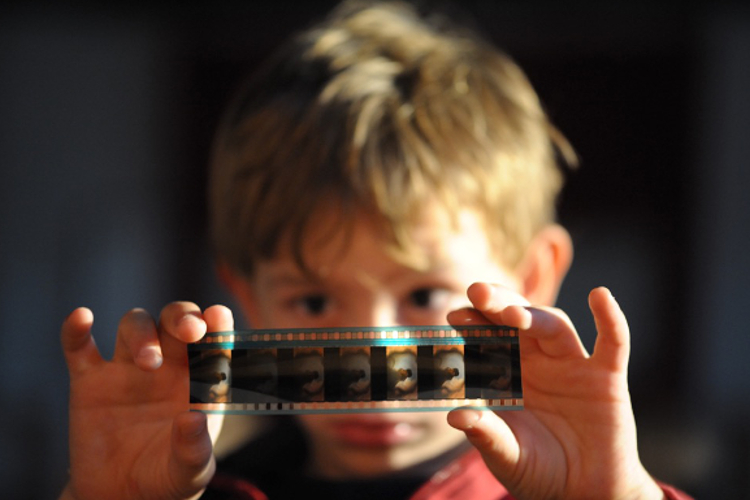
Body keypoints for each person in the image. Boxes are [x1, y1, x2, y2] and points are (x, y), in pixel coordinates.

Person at [59, 1, 692, 499]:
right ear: (248, 296)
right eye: (312, 299)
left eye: (424, 295)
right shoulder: (191, 490)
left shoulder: (578, 492)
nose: (374, 356)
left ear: (532, 274)